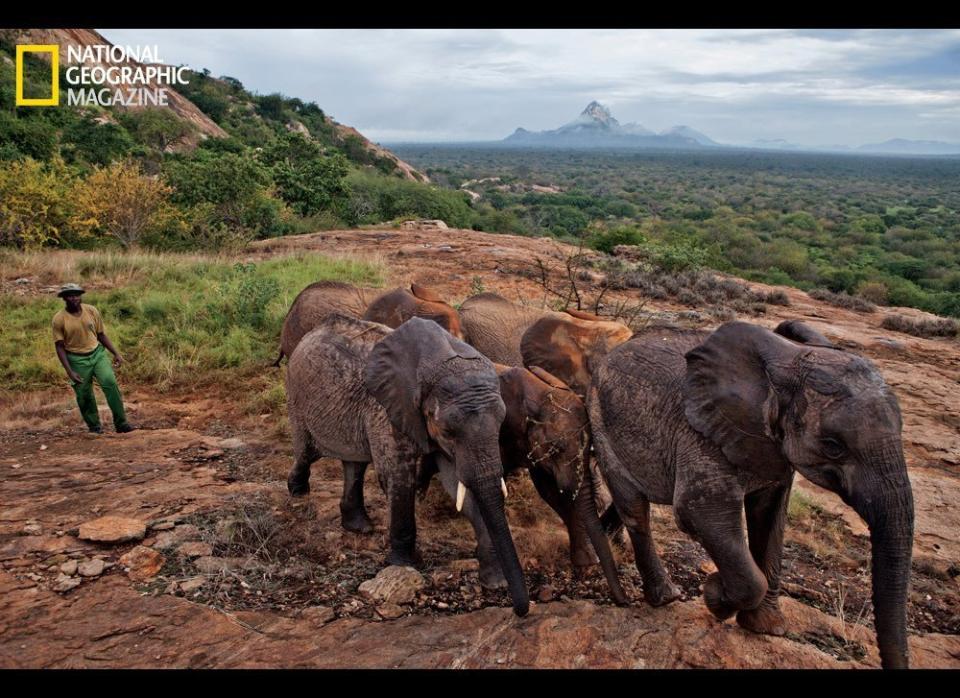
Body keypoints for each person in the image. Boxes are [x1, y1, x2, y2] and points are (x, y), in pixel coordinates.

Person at [52, 283, 135, 434]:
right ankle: (94, 426)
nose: (74, 298)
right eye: (70, 295)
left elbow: (101, 335)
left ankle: (121, 424)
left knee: (110, 382)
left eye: (76, 294)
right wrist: (69, 371)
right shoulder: (59, 319)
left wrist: (116, 353)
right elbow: (59, 346)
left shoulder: (91, 311)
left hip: (97, 354)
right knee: (84, 394)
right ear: (64, 298)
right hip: (76, 359)